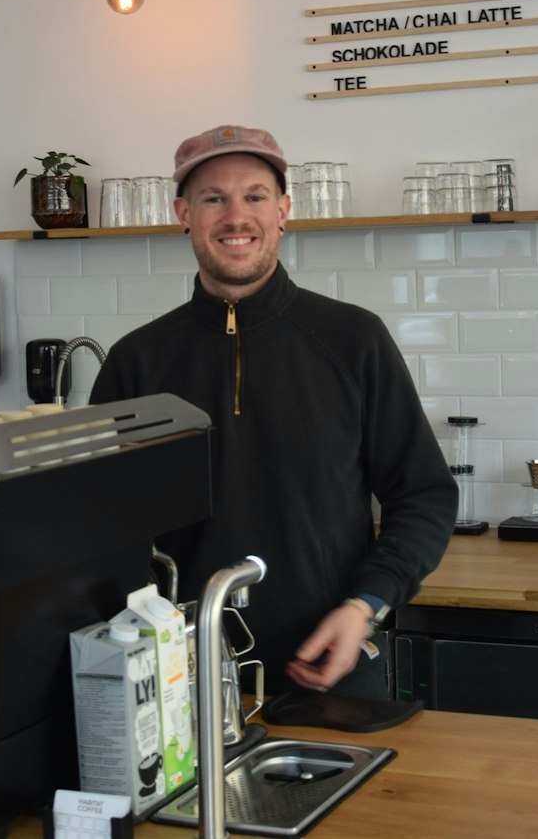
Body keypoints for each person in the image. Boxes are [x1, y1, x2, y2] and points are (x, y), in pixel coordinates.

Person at [89, 125, 456, 697]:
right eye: (214, 199)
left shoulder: (354, 340)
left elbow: (424, 495)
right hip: (180, 676)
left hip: (329, 669)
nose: (237, 217)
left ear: (283, 210)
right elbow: (102, 526)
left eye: (255, 196)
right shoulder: (137, 362)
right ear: (184, 213)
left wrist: (367, 604)